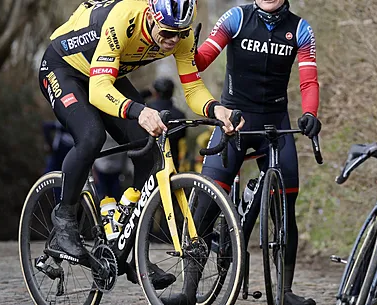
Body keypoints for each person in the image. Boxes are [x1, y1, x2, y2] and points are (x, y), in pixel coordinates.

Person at [39, 0, 242, 291]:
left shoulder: (181, 32)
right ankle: (64, 220)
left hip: (107, 74)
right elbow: (98, 92)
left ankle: (132, 252)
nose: (173, 40)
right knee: (92, 137)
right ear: (150, 16)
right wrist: (139, 111)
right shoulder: (124, 17)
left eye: (179, 33)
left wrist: (215, 109)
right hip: (63, 69)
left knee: (150, 146)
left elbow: (192, 87)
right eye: (167, 32)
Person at [162, 0, 322, 304]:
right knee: (206, 203)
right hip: (232, 121)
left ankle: (285, 292)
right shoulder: (236, 16)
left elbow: (309, 80)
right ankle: (188, 292)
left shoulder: (300, 29)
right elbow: (202, 59)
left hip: (275, 123)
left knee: (286, 205)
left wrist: (311, 113)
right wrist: (187, 48)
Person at [142, 77, 187, 167]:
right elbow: (182, 136)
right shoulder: (180, 115)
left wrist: (147, 93)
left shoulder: (145, 111)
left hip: (147, 158)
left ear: (155, 92)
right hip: (171, 161)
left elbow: (132, 101)